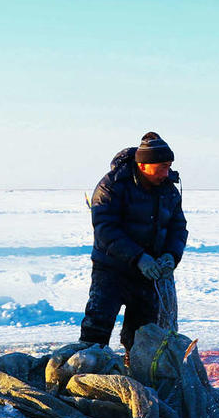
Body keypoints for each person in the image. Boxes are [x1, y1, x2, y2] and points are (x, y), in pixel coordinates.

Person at [79, 132, 188, 355]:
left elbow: (178, 228)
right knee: (97, 327)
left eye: (169, 166)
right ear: (144, 165)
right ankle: (88, 374)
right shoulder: (112, 185)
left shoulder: (169, 191)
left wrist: (170, 255)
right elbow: (105, 229)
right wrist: (138, 257)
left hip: (149, 275)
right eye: (162, 166)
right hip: (112, 269)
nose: (167, 173)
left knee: (143, 335)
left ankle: (136, 373)